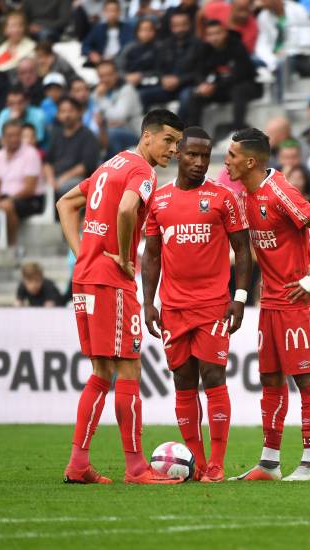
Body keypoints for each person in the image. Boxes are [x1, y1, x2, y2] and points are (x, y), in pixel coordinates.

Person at [56, 108, 185, 485]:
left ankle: (79, 464)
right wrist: (128, 257)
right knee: (128, 368)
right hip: (111, 281)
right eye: (168, 140)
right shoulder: (141, 171)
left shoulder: (110, 165)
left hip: (86, 277)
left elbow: (65, 203)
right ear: (147, 135)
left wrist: (82, 251)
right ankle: (136, 468)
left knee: (101, 372)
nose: (173, 149)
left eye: (177, 143)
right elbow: (129, 208)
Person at [224, 128, 310, 482]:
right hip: (271, 302)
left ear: (249, 161)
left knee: (305, 377)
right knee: (270, 379)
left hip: (298, 300)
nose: (225, 161)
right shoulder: (244, 195)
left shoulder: (280, 192)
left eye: (230, 155)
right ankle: (269, 462)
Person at [142, 126, 251, 483]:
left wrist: (240, 298)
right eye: (192, 155)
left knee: (213, 376)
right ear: (178, 154)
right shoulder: (158, 200)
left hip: (213, 305)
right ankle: (198, 463)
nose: (200, 162)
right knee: (183, 380)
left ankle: (217, 464)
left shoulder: (223, 197)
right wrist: (148, 303)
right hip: (173, 307)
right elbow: (152, 257)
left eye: (205, 157)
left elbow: (243, 250)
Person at [182, 20, 261, 137]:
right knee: (194, 95)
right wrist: (203, 84)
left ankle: (237, 131)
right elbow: (199, 71)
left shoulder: (237, 46)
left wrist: (215, 85)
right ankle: (193, 135)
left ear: (225, 33)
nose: (214, 38)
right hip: (220, 88)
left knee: (238, 90)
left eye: (217, 33)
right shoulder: (205, 49)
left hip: (245, 86)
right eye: (210, 34)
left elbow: (241, 74)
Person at [0, 118, 45, 244]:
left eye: (17, 135)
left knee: (7, 207)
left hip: (30, 199)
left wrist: (9, 200)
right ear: (3, 137)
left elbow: (30, 188)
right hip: (5, 197)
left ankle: (11, 246)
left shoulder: (31, 154)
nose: (14, 139)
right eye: (10, 135)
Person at [46, 97, 101, 200]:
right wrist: (50, 179)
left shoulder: (88, 135)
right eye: (63, 111)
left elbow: (86, 166)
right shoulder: (56, 134)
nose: (66, 115)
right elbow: (48, 162)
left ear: (80, 112)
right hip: (55, 179)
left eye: (70, 111)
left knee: (64, 188)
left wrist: (62, 179)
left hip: (78, 180)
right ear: (58, 115)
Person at [82, 0, 133, 67]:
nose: (112, 14)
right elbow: (85, 45)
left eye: (115, 10)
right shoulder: (98, 29)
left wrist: (116, 57)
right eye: (109, 11)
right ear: (104, 12)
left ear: (119, 12)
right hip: (101, 61)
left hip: (121, 62)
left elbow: (130, 47)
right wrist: (92, 54)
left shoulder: (128, 28)